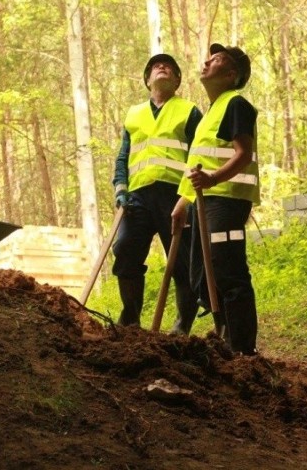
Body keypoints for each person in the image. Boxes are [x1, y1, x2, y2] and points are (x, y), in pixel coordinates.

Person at [172, 43, 260, 355]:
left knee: (227, 270)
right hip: (204, 203)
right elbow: (199, 161)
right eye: (210, 57)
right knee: (201, 274)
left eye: (218, 59)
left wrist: (212, 179)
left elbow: (243, 153)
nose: (207, 61)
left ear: (232, 75)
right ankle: (225, 335)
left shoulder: (235, 104)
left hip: (227, 202)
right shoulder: (211, 112)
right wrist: (183, 202)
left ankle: (242, 349)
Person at [111, 53, 203, 333]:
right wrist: (120, 188)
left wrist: (188, 198)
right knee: (125, 249)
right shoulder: (133, 114)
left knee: (183, 261)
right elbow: (123, 156)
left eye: (169, 67)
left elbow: (201, 154)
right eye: (155, 66)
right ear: (148, 79)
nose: (161, 68)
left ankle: (182, 325)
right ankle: (130, 319)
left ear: (176, 80)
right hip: (137, 197)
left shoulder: (189, 111)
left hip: (175, 196)